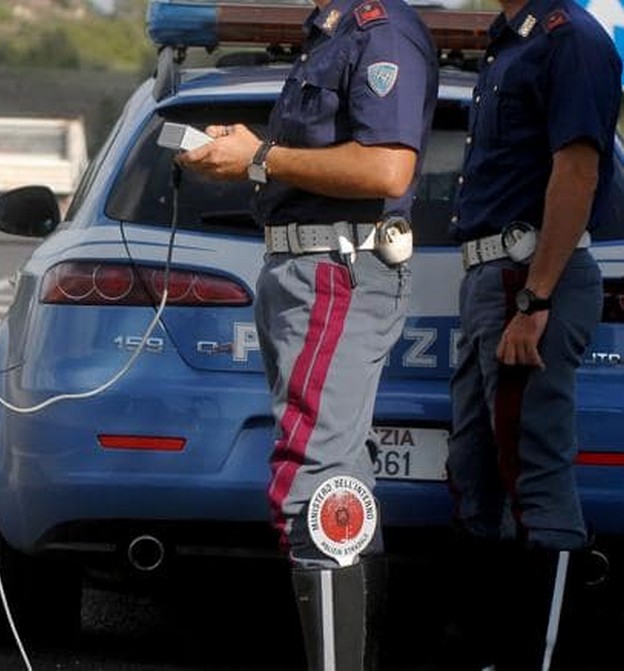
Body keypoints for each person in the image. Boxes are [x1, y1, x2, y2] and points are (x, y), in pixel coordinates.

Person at [175, 0, 439, 668]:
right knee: (337, 478)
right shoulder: (334, 35)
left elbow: (387, 170)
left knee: (313, 478)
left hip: (338, 267)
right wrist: (252, 158)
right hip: (303, 267)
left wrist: (260, 155)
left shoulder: (383, 32)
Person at [443, 0, 621, 667]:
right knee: (474, 477)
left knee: (537, 483)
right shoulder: (511, 41)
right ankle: (485, 654)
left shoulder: (568, 38)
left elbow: (577, 170)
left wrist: (536, 296)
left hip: (530, 277)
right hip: (492, 279)